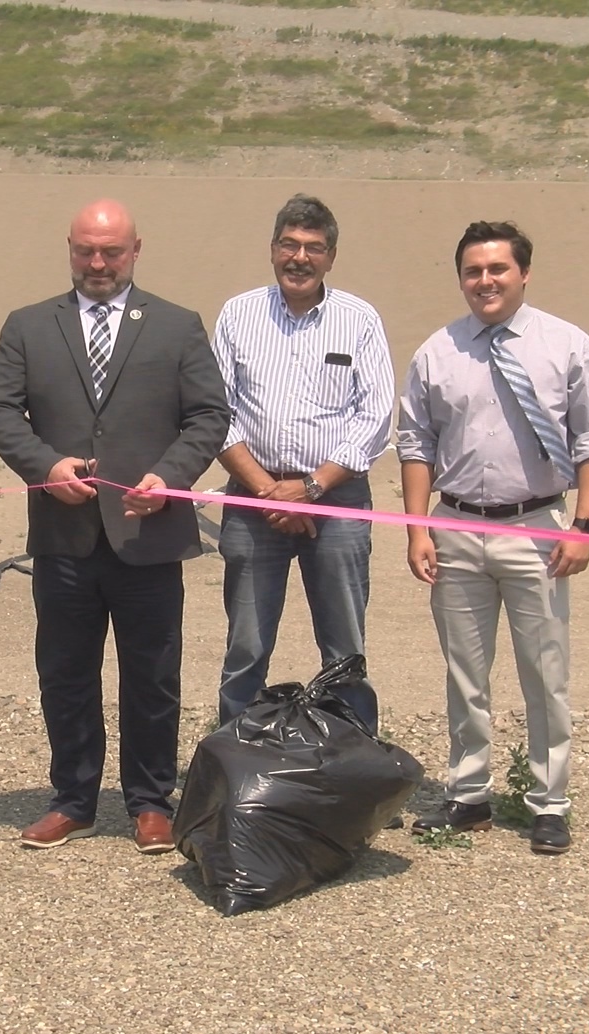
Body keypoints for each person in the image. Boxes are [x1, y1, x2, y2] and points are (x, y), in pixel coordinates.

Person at [0, 199, 230, 854]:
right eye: (86, 250)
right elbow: (0, 410)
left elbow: (209, 415)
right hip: (63, 537)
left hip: (148, 535)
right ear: (69, 248)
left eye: (111, 251)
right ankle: (73, 800)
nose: (98, 263)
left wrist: (169, 476)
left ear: (135, 250)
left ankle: (150, 801)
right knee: (66, 672)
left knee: (152, 674)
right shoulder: (28, 326)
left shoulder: (177, 326)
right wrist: (45, 465)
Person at [397, 220, 589, 855]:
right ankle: (469, 794)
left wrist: (584, 527)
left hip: (537, 528)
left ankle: (549, 801)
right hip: (456, 528)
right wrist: (417, 528)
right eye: (473, 271)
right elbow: (416, 444)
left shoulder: (569, 347)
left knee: (545, 673)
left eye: (497, 269)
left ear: (523, 273)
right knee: (465, 673)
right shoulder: (437, 352)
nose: (485, 281)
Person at [212, 194, 397, 733]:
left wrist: (311, 488)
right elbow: (214, 413)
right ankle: (235, 756)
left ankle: (353, 755)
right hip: (254, 503)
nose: (300, 258)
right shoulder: (238, 314)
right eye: (289, 245)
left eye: (313, 248)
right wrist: (268, 491)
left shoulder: (359, 320)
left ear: (331, 257)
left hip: (337, 504)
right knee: (246, 646)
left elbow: (375, 417)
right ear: (272, 249)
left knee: (344, 648)